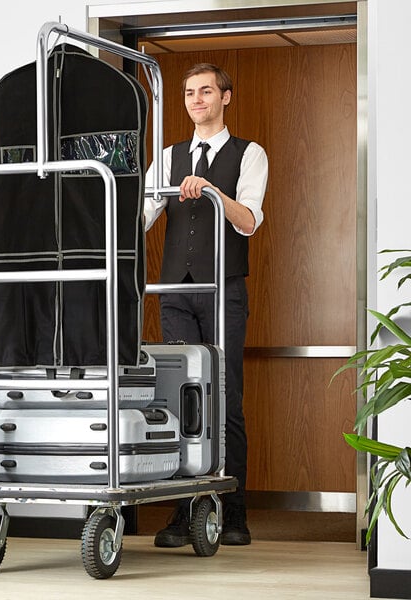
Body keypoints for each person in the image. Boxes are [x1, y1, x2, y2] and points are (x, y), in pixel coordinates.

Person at [144, 63, 268, 547]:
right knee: (179, 398)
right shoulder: (169, 156)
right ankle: (183, 512)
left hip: (224, 290)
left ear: (226, 97)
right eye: (189, 93)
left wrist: (214, 191)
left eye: (206, 91)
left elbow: (250, 221)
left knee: (226, 397)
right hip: (175, 293)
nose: (197, 99)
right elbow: (142, 216)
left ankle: (234, 513)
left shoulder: (249, 154)